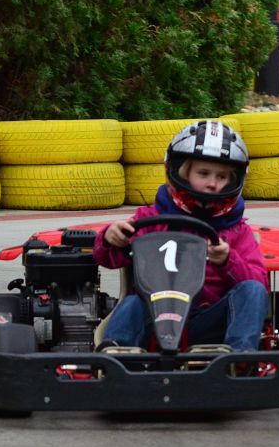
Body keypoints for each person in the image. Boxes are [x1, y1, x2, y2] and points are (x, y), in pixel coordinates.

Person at [94, 119, 268, 353]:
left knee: (252, 290)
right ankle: (116, 356)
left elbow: (258, 286)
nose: (212, 184)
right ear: (181, 172)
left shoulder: (236, 231)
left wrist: (228, 261)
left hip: (206, 323)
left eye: (222, 177)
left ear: (234, 180)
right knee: (134, 300)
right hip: (153, 316)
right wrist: (110, 238)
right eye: (203, 173)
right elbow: (107, 258)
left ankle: (240, 358)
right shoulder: (151, 218)